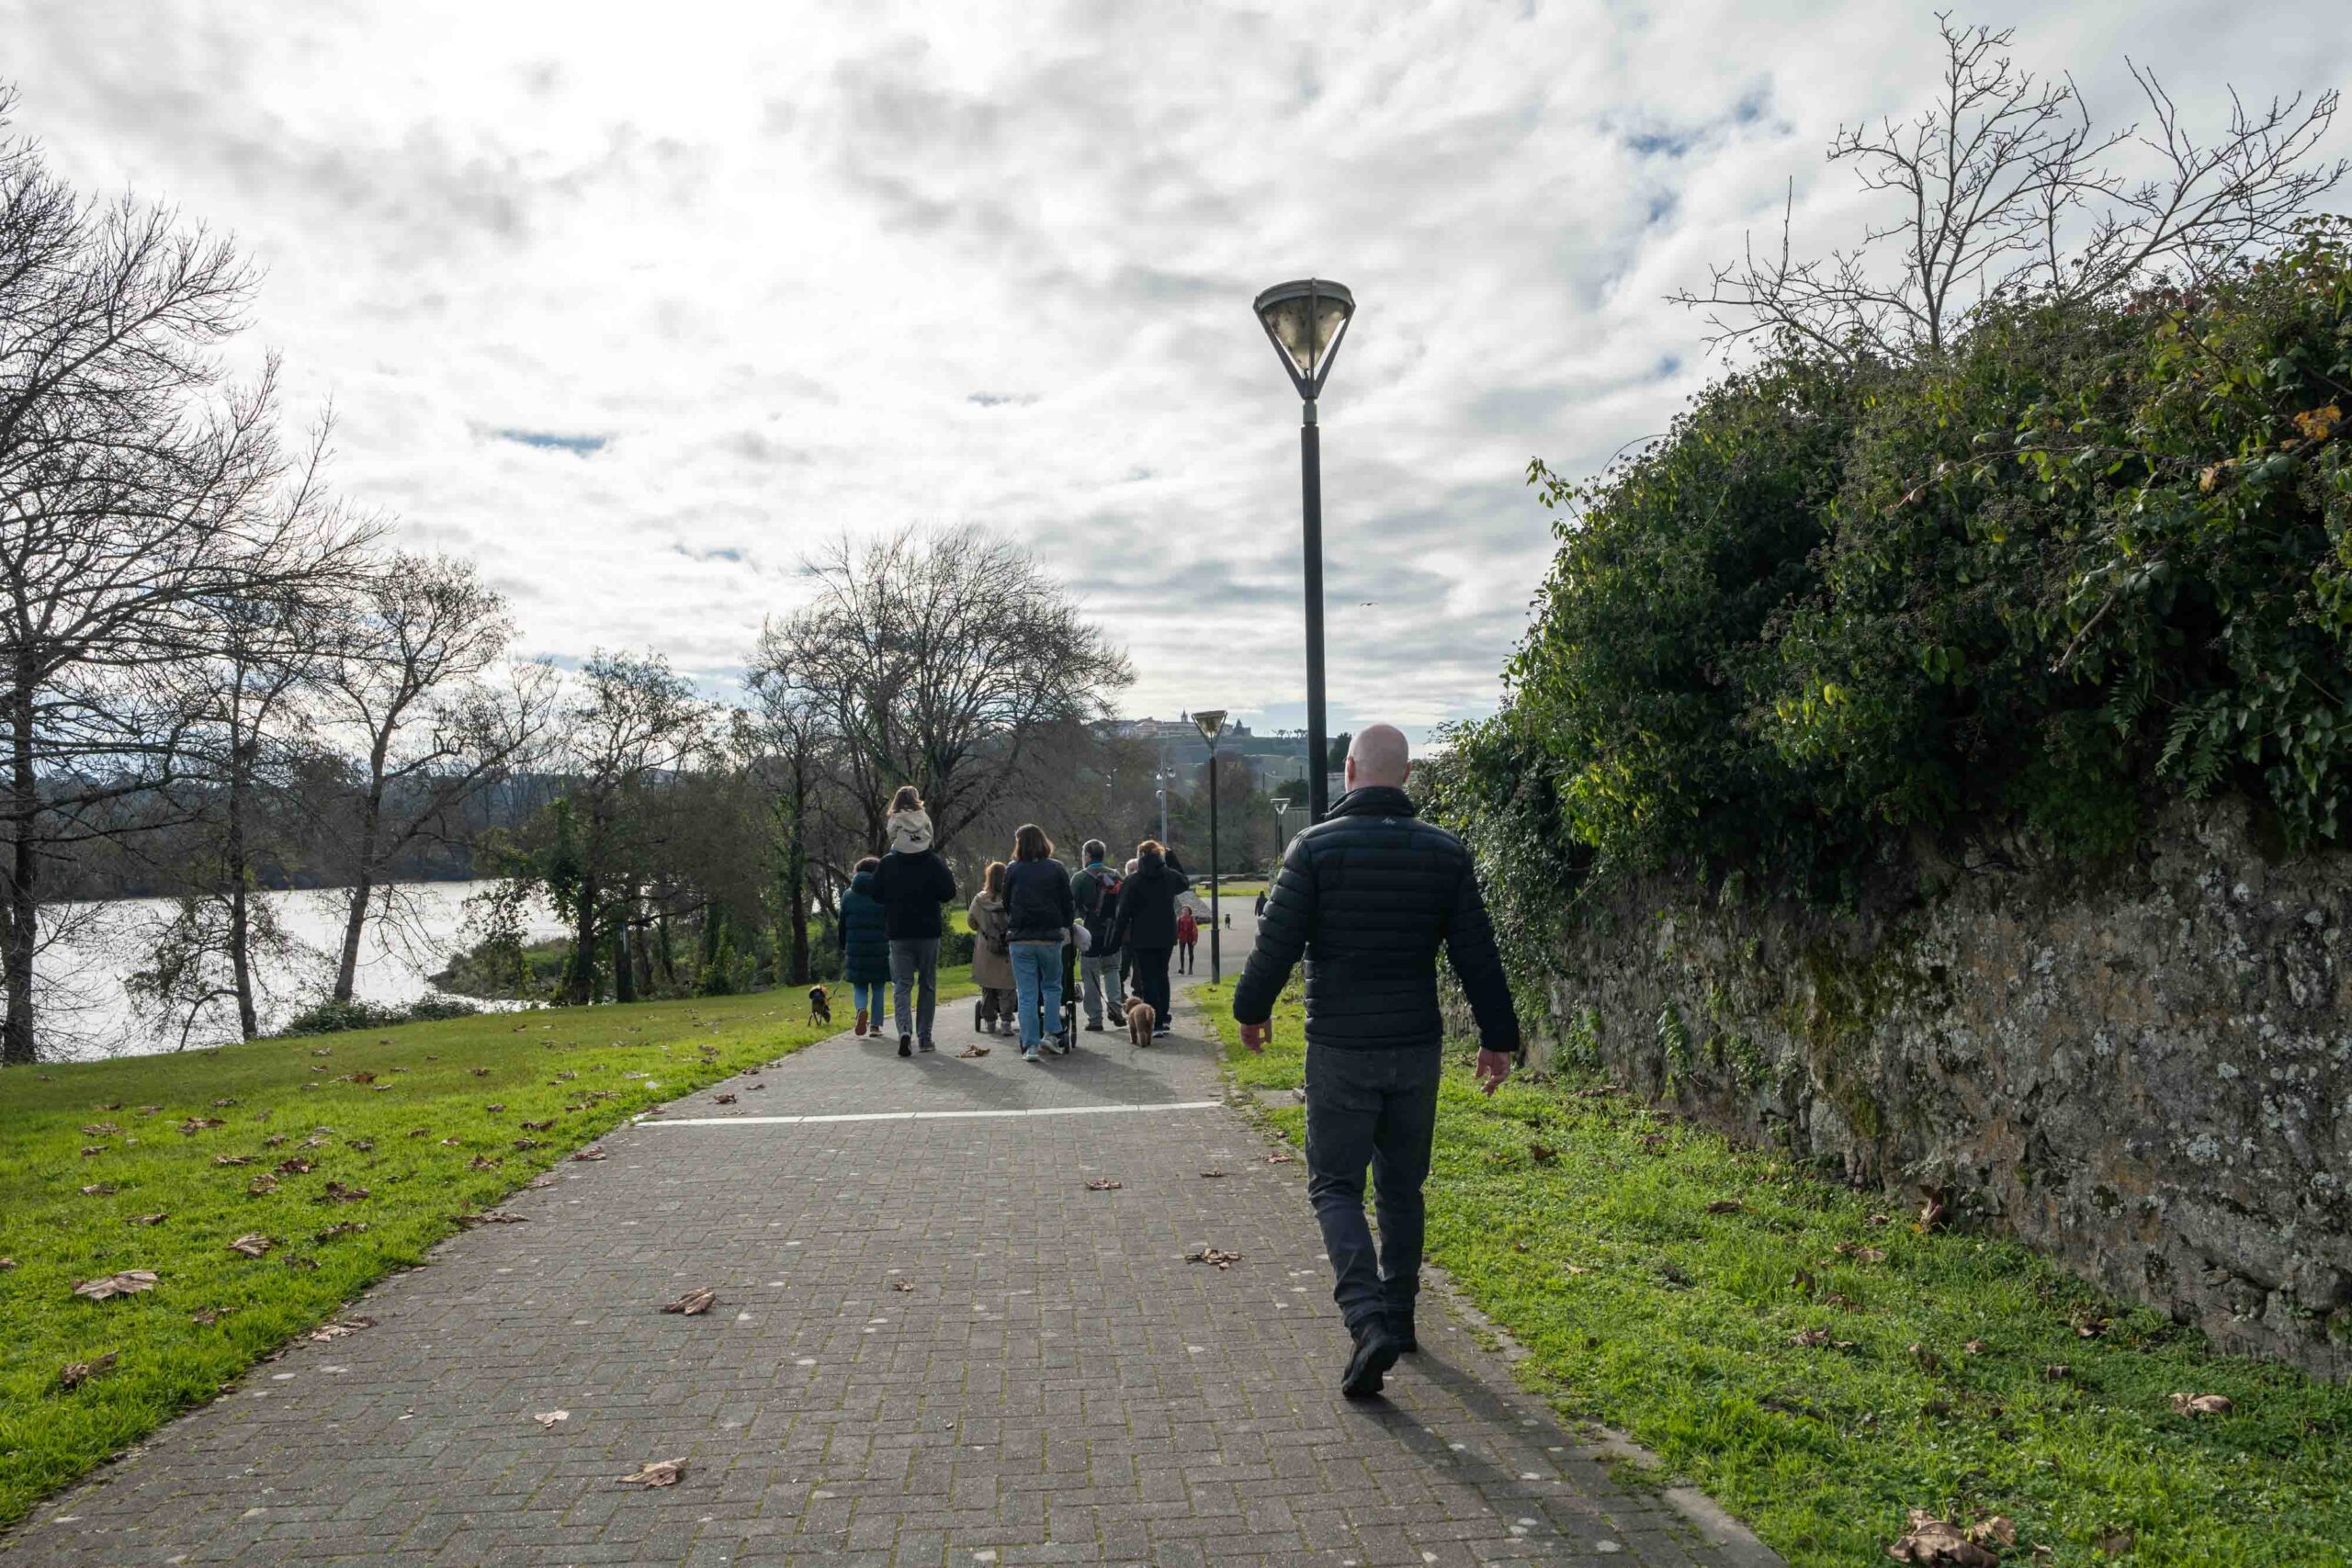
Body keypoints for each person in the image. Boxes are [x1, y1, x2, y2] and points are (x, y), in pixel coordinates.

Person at [1231, 724, 1519, 1400]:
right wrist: (1497, 1037)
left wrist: (1252, 1010)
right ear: (1408, 775)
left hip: (1339, 1046)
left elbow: (1276, 943)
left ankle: (1366, 1321)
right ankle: (1400, 1314)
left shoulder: (1314, 848)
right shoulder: (1445, 852)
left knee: (1335, 1186)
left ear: (1350, 771)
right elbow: (1477, 952)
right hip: (1415, 1045)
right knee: (1401, 1187)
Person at [870, 788, 957, 1056]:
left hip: (899, 931)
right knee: (927, 984)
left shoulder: (888, 864)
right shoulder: (933, 862)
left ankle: (904, 1031)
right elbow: (949, 892)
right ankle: (926, 1038)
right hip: (928, 930)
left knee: (902, 984)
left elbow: (876, 894)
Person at [1002, 822, 1077, 1061]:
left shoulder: (1013, 869)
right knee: (1052, 986)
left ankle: (1030, 1045)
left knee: (1026, 994)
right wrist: (1065, 925)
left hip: (1021, 938)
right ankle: (1051, 1031)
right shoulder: (1056, 868)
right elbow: (1068, 902)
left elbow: (1006, 902)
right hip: (1049, 937)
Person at [1111, 839, 1189, 1038]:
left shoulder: (1133, 880)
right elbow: (1184, 882)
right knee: (1162, 975)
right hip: (1166, 933)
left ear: (1140, 856)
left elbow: (1122, 913)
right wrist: (1171, 858)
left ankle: (1153, 1022)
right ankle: (1162, 1018)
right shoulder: (1169, 876)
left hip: (1142, 934)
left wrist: (1115, 940)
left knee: (1148, 978)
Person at [1070, 841, 1125, 1032]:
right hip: (1112, 934)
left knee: (1090, 975)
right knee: (1112, 970)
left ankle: (1095, 1019)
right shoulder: (1115, 875)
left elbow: (1070, 905)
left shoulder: (1080, 878)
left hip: (1090, 934)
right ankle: (1115, 1008)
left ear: (1087, 856)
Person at [838, 856, 891, 1036]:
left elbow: (842, 924)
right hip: (879, 948)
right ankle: (875, 1026)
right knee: (878, 987)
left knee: (859, 985)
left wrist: (843, 945)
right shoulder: (884, 893)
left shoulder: (848, 895)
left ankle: (861, 1010)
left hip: (856, 949)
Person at [967, 861, 1014, 1035]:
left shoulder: (979, 900)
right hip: (1008, 947)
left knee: (988, 986)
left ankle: (990, 1020)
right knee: (1008, 986)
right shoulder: (1011, 899)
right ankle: (1006, 1022)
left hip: (986, 948)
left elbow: (972, 922)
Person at [1175, 906, 1199, 974]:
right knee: (1181, 952)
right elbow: (1177, 929)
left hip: (1190, 937)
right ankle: (1182, 968)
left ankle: (1190, 969)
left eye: (1186, 910)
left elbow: (1195, 929)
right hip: (1182, 937)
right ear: (1182, 911)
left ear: (1189, 911)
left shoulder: (1192, 918)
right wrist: (1176, 938)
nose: (1185, 911)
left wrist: (1195, 939)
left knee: (1190, 953)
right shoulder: (1179, 919)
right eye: (1184, 910)